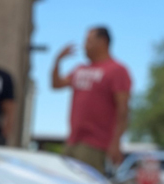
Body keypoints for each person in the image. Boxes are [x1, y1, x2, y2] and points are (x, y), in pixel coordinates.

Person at [52, 26, 131, 174]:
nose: (84, 46)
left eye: (88, 41)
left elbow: (123, 109)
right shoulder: (80, 69)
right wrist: (57, 61)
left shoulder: (117, 70)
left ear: (103, 42)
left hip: (96, 144)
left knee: (86, 183)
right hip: (73, 140)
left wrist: (116, 142)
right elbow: (56, 85)